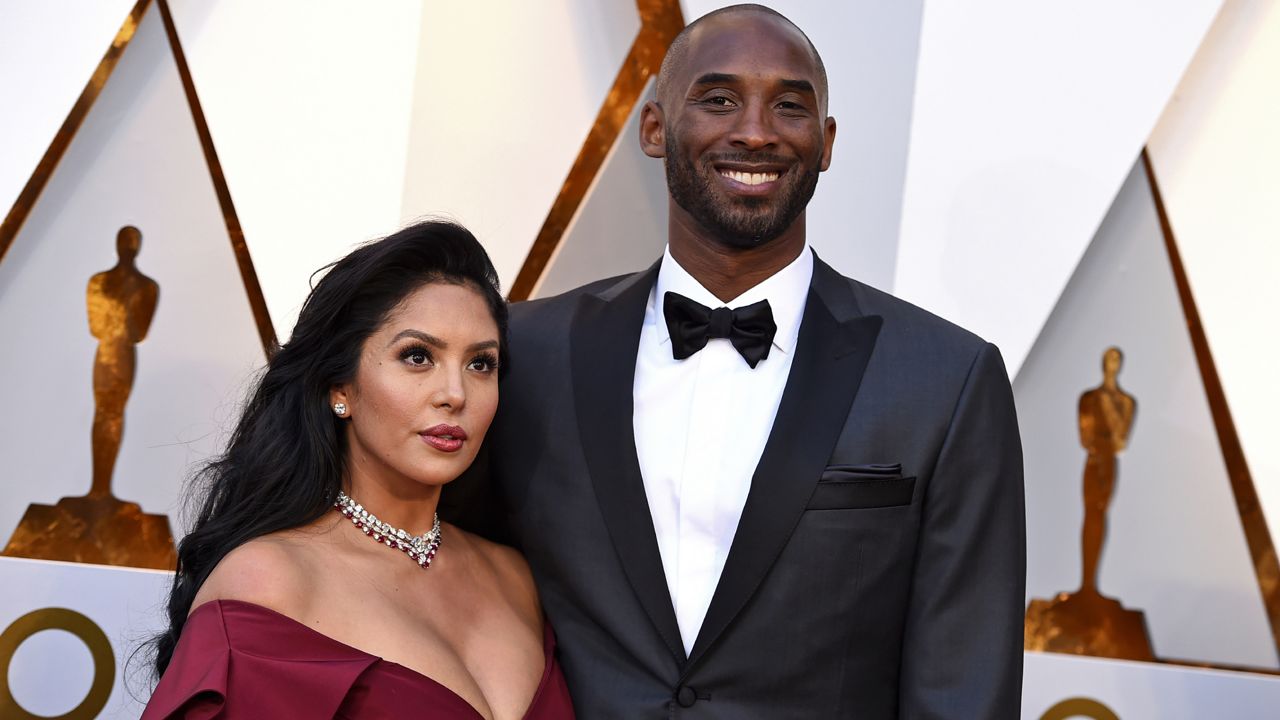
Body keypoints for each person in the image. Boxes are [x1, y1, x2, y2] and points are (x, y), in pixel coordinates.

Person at [474, 5, 1025, 717]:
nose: (757, 131)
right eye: (718, 99)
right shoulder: (526, 353)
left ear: (825, 143)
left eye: (790, 106)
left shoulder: (946, 379)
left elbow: (963, 689)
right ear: (653, 127)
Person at [143, 221, 574, 719]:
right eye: (418, 356)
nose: (456, 393)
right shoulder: (269, 579)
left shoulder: (514, 577)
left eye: (481, 364)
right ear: (339, 387)